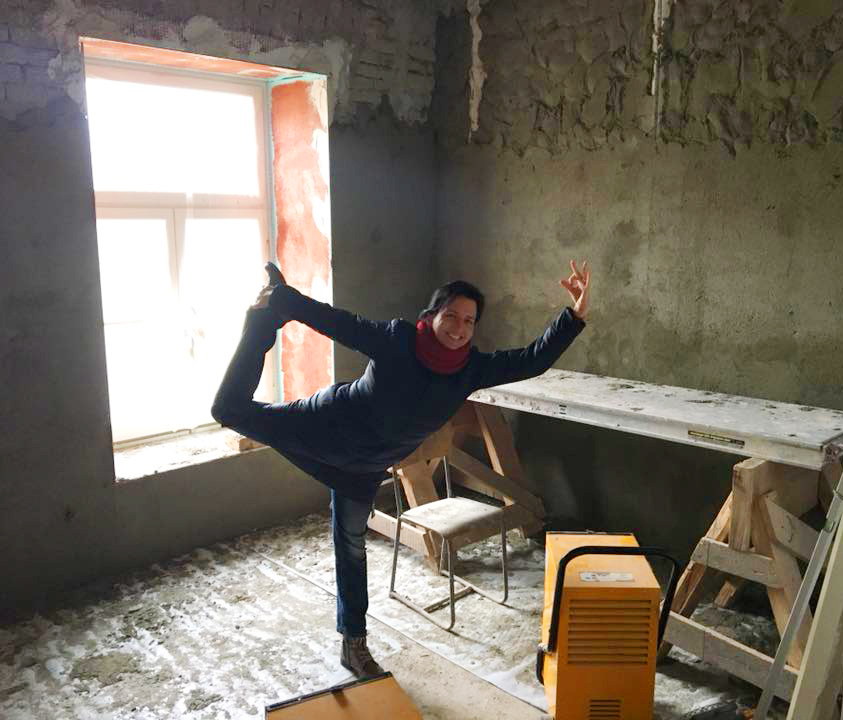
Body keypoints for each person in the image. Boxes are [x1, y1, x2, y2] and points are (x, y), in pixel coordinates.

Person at [211, 259, 591, 678]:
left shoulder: (472, 369)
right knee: (227, 409)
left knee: (351, 548)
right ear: (432, 314)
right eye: (451, 316)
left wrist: (574, 316)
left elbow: (532, 360)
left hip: (363, 468)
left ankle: (353, 643)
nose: (459, 328)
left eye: (469, 321)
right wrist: (283, 301)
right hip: (325, 428)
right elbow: (337, 322)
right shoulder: (397, 340)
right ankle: (261, 318)